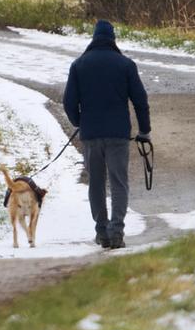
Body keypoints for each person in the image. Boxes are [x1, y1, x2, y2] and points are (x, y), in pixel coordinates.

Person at [62, 20, 151, 249]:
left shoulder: (79, 65)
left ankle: (102, 231)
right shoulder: (125, 65)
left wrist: (79, 122)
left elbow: (69, 102)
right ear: (113, 39)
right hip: (118, 135)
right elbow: (140, 100)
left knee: (96, 184)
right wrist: (144, 131)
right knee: (119, 182)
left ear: (93, 38)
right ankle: (117, 232)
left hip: (91, 135)